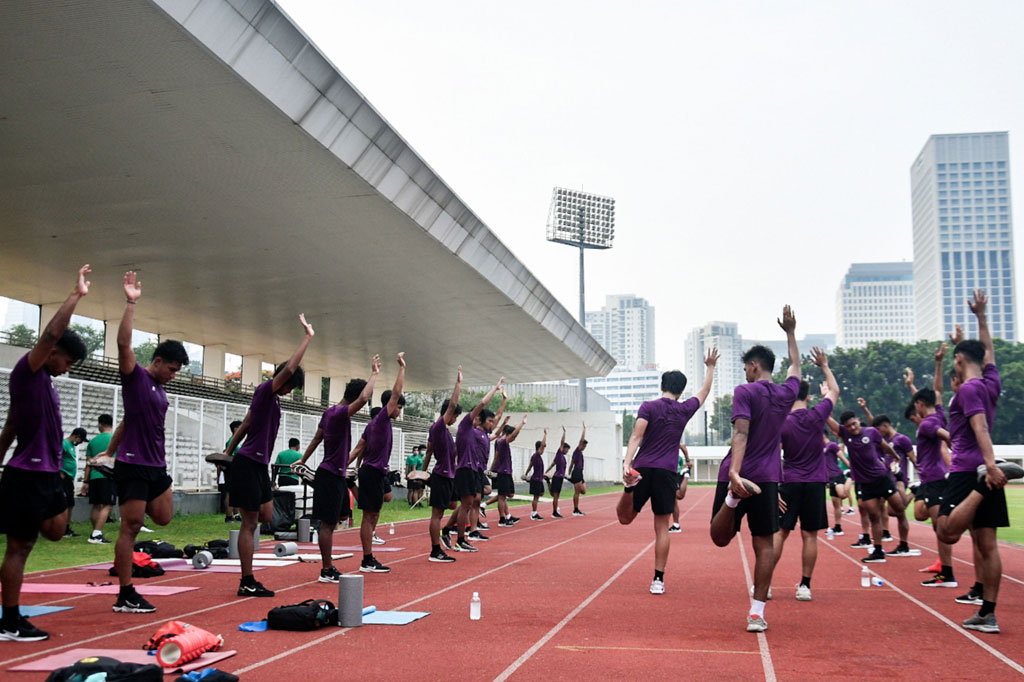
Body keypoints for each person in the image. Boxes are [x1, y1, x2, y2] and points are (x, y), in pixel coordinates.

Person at [0, 265, 90, 642]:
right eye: (67, 362)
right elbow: (52, 332)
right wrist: (76, 296)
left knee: (54, 532)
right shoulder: (28, 370)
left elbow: (10, 425)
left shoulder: (46, 385)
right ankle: (10, 620)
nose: (67, 370)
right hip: (27, 474)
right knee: (21, 547)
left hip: (49, 475)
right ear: (51, 352)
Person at [100, 271, 190, 614]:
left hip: (156, 466)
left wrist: (109, 450)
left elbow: (127, 420)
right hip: (134, 464)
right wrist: (130, 303)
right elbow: (124, 344)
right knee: (131, 526)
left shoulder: (160, 390)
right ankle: (125, 592)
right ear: (156, 362)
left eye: (177, 369)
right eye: (171, 367)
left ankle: (133, 564)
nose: (173, 373)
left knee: (164, 518)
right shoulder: (135, 377)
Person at [934, 291, 1023, 634]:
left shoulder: (969, 390)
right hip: (985, 467)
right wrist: (982, 317)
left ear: (958, 359)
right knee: (987, 544)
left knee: (947, 531)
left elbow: (980, 426)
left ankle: (981, 487)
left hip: (970, 468)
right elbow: (989, 353)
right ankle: (988, 613)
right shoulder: (991, 383)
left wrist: (990, 466)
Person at [708, 305, 800, 633]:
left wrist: (734, 473)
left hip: (740, 473)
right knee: (765, 544)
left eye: (747, 368)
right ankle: (757, 613)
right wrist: (790, 332)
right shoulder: (787, 393)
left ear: (753, 366)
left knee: (719, 538)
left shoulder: (745, 391)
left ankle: (732, 500)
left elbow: (741, 431)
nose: (746, 373)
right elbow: (796, 369)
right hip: (768, 478)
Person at [224, 314, 314, 597]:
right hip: (249, 462)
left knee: (264, 516)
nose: (289, 391)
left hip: (258, 464)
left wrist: (228, 450)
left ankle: (248, 575)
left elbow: (248, 423)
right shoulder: (266, 390)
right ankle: (246, 580)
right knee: (251, 523)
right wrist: (307, 338)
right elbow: (288, 370)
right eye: (289, 386)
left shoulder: (271, 400)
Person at [620, 349, 718, 595]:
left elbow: (636, 435)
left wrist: (626, 463)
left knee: (625, 518)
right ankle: (658, 580)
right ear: (681, 391)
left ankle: (628, 487)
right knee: (662, 527)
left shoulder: (648, 407)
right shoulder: (684, 410)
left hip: (642, 467)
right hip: (666, 471)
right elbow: (704, 393)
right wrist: (710, 367)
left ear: (661, 385)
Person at [298, 355, 379, 582]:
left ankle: (327, 562)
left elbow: (316, 439)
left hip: (335, 474)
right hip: (330, 475)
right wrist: (374, 373)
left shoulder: (329, 412)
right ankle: (326, 569)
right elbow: (364, 397)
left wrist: (303, 460)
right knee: (327, 524)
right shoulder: (339, 413)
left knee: (340, 516)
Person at [771, 347, 839, 602]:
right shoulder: (817, 415)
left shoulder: (782, 422)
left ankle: (765, 585)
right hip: (814, 483)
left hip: (790, 481)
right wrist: (824, 366)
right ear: (809, 397)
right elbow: (834, 391)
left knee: (780, 532)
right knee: (810, 535)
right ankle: (805, 586)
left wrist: (776, 484)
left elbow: (773, 455)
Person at [903, 344, 956, 588]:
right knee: (925, 516)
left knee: (941, 528)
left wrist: (957, 444)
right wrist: (938, 362)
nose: (916, 412)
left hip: (935, 479)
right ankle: (945, 568)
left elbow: (944, 435)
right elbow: (937, 391)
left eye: (917, 408)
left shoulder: (928, 424)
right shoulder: (939, 413)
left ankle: (947, 573)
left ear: (921, 406)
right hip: (931, 480)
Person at [827, 408, 909, 563]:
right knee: (874, 516)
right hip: (865, 483)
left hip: (881, 477)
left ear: (858, 420)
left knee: (899, 510)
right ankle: (878, 551)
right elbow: (828, 420)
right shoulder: (845, 434)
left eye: (854, 424)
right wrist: (826, 400)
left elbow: (885, 446)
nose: (852, 428)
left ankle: (904, 544)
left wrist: (896, 457)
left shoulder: (871, 432)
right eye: (848, 426)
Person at [351, 353, 406, 573]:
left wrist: (349, 467)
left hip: (372, 472)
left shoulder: (373, 424)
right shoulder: (382, 418)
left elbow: (358, 449)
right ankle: (367, 559)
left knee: (373, 514)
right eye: (398, 407)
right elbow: (396, 392)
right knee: (369, 516)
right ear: (391, 406)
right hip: (372, 472)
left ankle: (368, 557)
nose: (399, 411)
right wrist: (402, 368)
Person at [446, 378, 503, 551]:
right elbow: (482, 403)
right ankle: (459, 538)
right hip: (465, 470)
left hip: (470, 469)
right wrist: (494, 388)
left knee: (468, 504)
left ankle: (454, 533)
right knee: (466, 505)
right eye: (478, 416)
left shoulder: (473, 432)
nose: (480, 419)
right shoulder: (465, 426)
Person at [422, 366, 462, 562]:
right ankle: (435, 550)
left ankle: (444, 534)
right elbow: (452, 405)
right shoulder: (438, 426)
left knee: (452, 504)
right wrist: (458, 383)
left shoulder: (445, 431)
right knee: (436, 514)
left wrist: (422, 473)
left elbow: (430, 451)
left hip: (448, 475)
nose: (454, 419)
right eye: (454, 415)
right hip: (441, 474)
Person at [82, 414, 115, 544]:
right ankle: (96, 534)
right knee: (108, 504)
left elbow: (88, 463)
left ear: (100, 424)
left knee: (96, 504)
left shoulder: (93, 441)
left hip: (94, 476)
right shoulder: (115, 439)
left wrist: (85, 481)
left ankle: (95, 531)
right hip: (108, 476)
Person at [490, 415, 527, 527]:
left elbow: (496, 456)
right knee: (502, 496)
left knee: (508, 494)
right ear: (508, 434)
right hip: (503, 471)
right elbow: (513, 435)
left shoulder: (499, 441)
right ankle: (502, 519)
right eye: (511, 436)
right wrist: (522, 424)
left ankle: (505, 515)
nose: (513, 438)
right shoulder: (502, 442)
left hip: (505, 471)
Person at [60, 427, 88, 538]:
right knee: (65, 503)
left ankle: (66, 527)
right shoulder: (64, 444)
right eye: (81, 440)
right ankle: (62, 528)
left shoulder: (71, 446)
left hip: (69, 478)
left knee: (70, 503)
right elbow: (55, 457)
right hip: (63, 478)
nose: (80, 443)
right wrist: (59, 471)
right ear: (77, 437)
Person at [823, 434, 851, 534]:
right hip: (829, 478)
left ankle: (851, 478)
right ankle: (838, 527)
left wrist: (852, 469)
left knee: (843, 495)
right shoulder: (822, 448)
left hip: (836, 475)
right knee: (836, 504)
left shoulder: (832, 445)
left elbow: (842, 457)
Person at [220, 420, 242, 522]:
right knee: (229, 492)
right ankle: (229, 516)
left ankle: (236, 514)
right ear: (235, 429)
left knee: (236, 492)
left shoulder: (237, 441)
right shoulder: (232, 441)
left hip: (236, 469)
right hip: (231, 469)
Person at [544, 429, 568, 518]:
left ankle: (548, 481)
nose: (567, 451)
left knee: (554, 495)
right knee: (556, 496)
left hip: (559, 477)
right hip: (557, 477)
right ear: (563, 448)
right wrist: (564, 433)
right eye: (567, 449)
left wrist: (545, 472)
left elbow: (552, 464)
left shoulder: (561, 458)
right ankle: (554, 512)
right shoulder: (559, 453)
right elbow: (562, 442)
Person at [669, 444, 692, 534]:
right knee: (673, 500)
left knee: (678, 496)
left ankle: (686, 475)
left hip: (672, 472)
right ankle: (676, 525)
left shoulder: (670, 437)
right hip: (671, 471)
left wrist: (687, 460)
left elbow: (682, 446)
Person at [525, 432, 548, 520]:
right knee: (536, 497)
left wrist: (526, 474)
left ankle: (534, 512)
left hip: (539, 478)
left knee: (541, 494)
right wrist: (545, 435)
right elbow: (530, 466)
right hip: (536, 479)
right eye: (542, 448)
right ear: (539, 448)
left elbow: (530, 466)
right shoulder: (536, 455)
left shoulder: (536, 457)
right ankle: (533, 513)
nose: (543, 450)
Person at [567, 424, 588, 516]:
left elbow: (572, 462)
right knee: (577, 492)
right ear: (580, 445)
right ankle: (575, 509)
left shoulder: (578, 453)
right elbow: (582, 439)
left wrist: (569, 471)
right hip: (577, 472)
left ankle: (570, 478)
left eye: (585, 447)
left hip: (580, 473)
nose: (584, 448)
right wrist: (584, 429)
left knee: (583, 491)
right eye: (583, 446)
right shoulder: (577, 450)